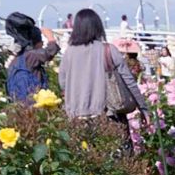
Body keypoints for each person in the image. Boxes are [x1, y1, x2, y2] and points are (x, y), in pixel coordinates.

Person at [59, 8, 147, 145]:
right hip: (109, 116)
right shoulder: (108, 49)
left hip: (77, 118)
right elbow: (129, 81)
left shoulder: (69, 53)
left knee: (86, 161)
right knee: (118, 159)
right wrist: (143, 108)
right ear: (98, 26)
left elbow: (63, 84)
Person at [5, 12, 60, 101]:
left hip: (19, 105)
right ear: (36, 42)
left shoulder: (17, 59)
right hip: (32, 105)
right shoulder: (31, 56)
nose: (42, 45)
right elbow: (50, 51)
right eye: (41, 42)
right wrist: (50, 37)